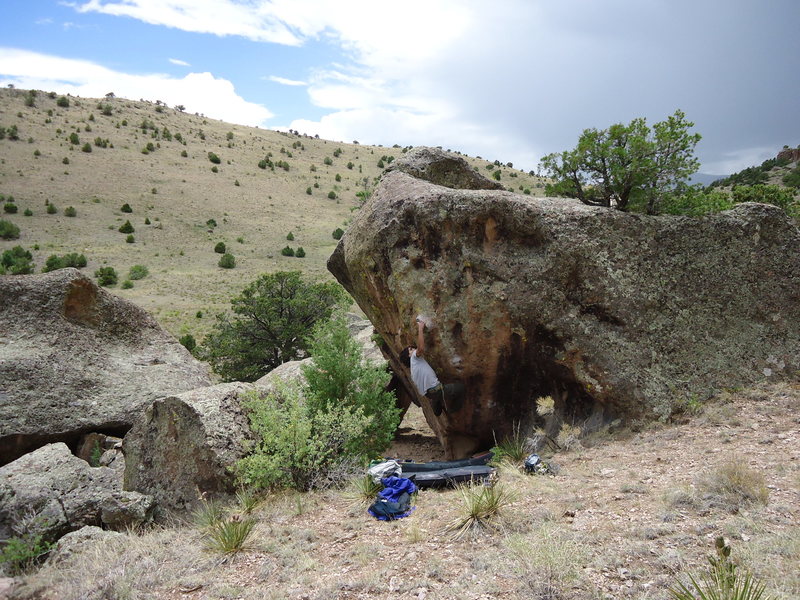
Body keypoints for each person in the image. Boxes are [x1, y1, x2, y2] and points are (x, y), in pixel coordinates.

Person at [399, 317, 464, 416]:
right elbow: (421, 348)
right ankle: (452, 410)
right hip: (436, 390)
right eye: (411, 349)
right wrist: (421, 328)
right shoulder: (414, 358)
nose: (413, 348)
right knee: (461, 388)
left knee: (436, 396)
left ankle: (437, 409)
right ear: (409, 355)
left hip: (428, 393)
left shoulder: (413, 369)